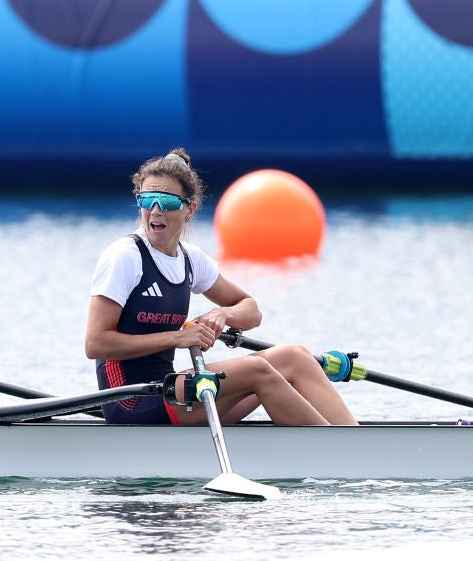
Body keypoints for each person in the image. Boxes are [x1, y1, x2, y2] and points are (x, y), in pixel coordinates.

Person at [84, 148, 357, 426]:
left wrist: (222, 314)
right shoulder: (125, 257)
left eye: (166, 202)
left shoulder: (191, 259)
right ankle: (334, 447)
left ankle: (353, 438)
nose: (155, 210)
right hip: (130, 400)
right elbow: (95, 344)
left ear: (189, 209)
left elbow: (252, 311)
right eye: (147, 200)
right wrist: (176, 338)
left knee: (294, 356)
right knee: (256, 368)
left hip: (173, 390)